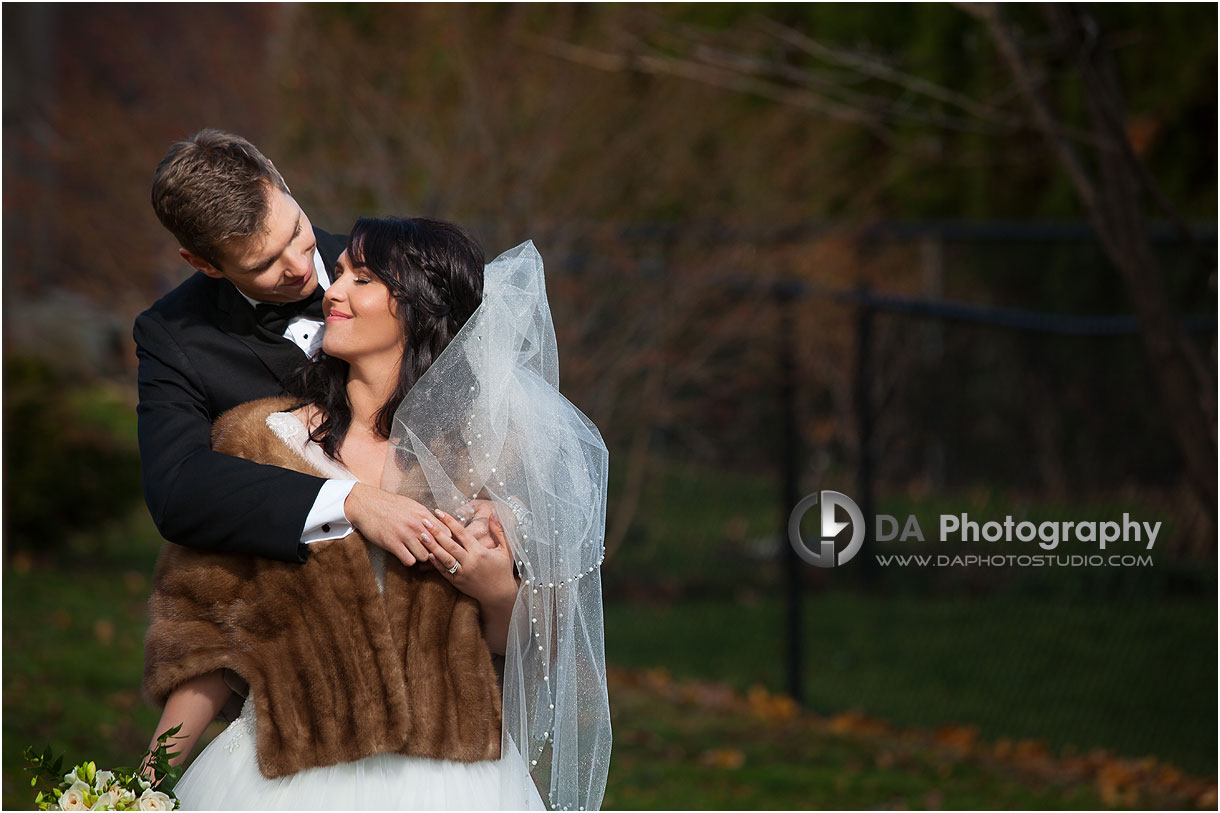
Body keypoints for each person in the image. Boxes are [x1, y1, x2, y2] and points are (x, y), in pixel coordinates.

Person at [142, 217, 611, 810]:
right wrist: (143, 787)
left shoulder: (484, 462)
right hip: (281, 783)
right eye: (339, 273)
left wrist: (494, 589)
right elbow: (205, 638)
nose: (330, 291)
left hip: (455, 785)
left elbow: (533, 653)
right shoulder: (259, 443)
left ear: (417, 309)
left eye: (359, 279)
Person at [136, 129, 468, 574]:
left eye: (295, 230)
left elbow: (478, 395)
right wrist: (349, 502)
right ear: (204, 264)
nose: (298, 265)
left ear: (283, 185)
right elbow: (178, 491)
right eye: (264, 264)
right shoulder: (173, 334)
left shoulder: (394, 261)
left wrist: (490, 505)